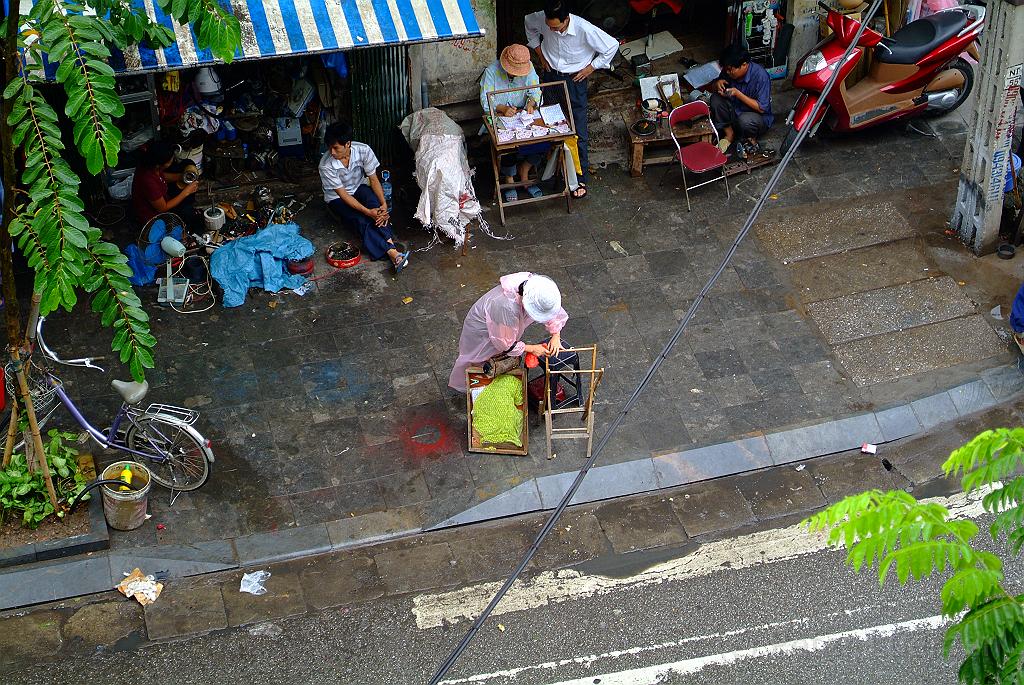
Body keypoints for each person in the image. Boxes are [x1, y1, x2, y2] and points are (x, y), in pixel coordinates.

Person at [525, 0, 618, 199]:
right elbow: (529, 25)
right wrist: (540, 54)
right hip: (551, 76)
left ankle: (579, 177)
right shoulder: (542, 18)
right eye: (550, 28)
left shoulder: (584, 29)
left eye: (557, 28)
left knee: (577, 130)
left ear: (566, 20)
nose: (553, 31)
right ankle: (552, 173)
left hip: (574, 80)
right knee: (550, 125)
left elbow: (612, 45)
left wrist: (591, 67)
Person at [449, 273, 567, 392]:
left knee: (497, 356)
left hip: (501, 325)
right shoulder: (505, 306)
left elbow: (551, 309)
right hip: (482, 331)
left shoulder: (536, 286)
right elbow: (505, 344)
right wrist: (532, 348)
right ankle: (480, 386)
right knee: (482, 360)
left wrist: (556, 335)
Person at [319, 122, 409, 273]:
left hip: (359, 186)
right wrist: (368, 212)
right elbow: (343, 194)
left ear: (347, 144)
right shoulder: (326, 165)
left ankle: (391, 250)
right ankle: (392, 252)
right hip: (337, 197)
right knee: (361, 219)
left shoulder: (363, 150)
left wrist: (383, 205)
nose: (332, 152)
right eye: (329, 147)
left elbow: (373, 179)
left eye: (336, 148)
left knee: (377, 208)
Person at [481, 44, 547, 202]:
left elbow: (536, 91)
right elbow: (485, 100)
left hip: (522, 115)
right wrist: (502, 108)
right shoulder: (491, 71)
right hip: (499, 116)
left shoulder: (529, 68)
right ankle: (509, 178)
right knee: (507, 143)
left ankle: (525, 169)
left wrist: (531, 103)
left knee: (544, 139)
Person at [709, 44, 774, 158]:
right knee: (715, 99)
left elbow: (762, 108)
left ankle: (749, 138)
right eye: (726, 69)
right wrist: (717, 84)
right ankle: (729, 134)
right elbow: (713, 86)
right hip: (735, 111)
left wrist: (738, 94)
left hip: (756, 117)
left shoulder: (761, 76)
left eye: (730, 70)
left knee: (745, 121)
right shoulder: (728, 71)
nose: (728, 72)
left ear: (744, 65)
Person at [131, 141, 200, 229]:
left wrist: (183, 177)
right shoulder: (148, 182)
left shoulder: (150, 164)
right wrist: (186, 192)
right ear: (159, 164)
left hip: (163, 194)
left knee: (186, 163)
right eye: (170, 161)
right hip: (154, 216)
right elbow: (162, 208)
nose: (172, 161)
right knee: (188, 212)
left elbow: (161, 176)